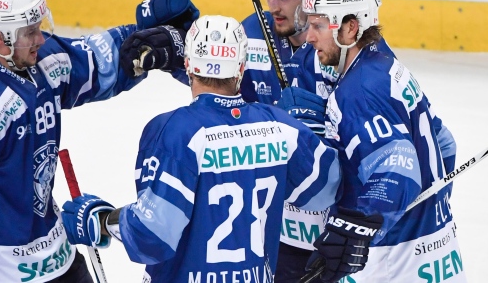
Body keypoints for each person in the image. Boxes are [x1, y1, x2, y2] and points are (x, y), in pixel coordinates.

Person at [0, 0, 192, 282]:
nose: (40, 39)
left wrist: (143, 39)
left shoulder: (41, 63)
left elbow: (95, 61)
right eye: (29, 33)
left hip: (56, 251)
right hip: (3, 268)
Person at [60, 15, 343, 283]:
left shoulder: (175, 131)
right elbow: (326, 190)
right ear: (241, 69)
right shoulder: (281, 127)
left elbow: (154, 235)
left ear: (188, 65)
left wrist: (101, 221)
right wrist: (316, 131)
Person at [300, 0, 463, 282]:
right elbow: (445, 145)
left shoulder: (359, 90)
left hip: (395, 258)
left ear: (350, 27)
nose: (309, 37)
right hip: (436, 244)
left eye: (319, 26)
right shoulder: (384, 65)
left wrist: (354, 227)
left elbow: (397, 167)